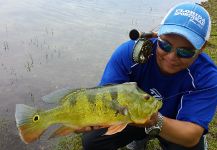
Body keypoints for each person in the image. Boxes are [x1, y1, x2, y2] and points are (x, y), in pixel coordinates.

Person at [81, 2, 217, 150]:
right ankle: (139, 137)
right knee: (93, 140)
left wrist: (153, 121)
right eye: (165, 45)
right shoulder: (129, 53)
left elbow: (191, 135)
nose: (171, 57)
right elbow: (104, 99)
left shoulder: (207, 77)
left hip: (175, 124)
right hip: (130, 117)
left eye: (185, 52)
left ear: (202, 48)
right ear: (158, 35)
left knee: (190, 146)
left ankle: (150, 133)